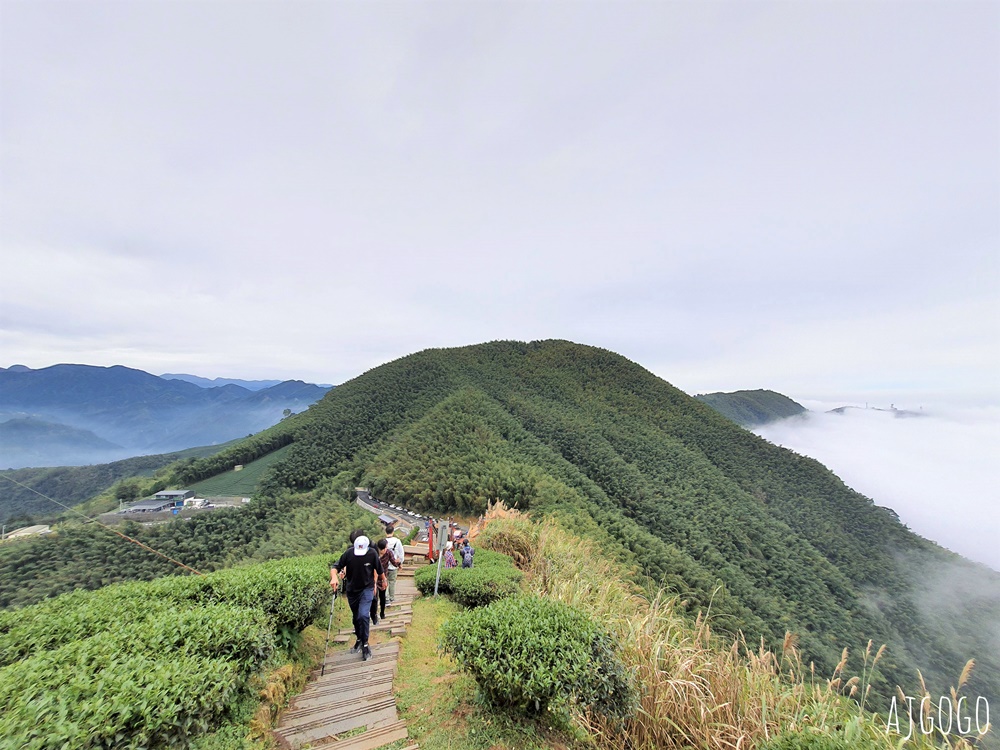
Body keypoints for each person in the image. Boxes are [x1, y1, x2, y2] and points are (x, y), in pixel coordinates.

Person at [331, 531, 385, 661]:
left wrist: (383, 581)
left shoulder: (372, 553)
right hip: (352, 590)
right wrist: (334, 577)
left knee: (363, 615)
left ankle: (366, 645)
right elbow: (335, 567)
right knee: (356, 618)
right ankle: (359, 639)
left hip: (367, 588)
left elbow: (379, 570)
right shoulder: (349, 553)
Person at [369, 538, 392, 625]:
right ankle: (374, 615)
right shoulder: (374, 556)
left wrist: (384, 579)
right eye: (385, 547)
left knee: (382, 597)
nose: (386, 549)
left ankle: (382, 613)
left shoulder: (388, 553)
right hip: (373, 579)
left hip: (382, 578)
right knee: (374, 598)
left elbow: (392, 561)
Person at [384, 525, 404, 604]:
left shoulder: (383, 541)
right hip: (394, 565)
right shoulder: (397, 541)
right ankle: (392, 597)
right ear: (393, 532)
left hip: (384, 565)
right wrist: (400, 563)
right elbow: (401, 553)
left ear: (386, 532)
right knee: (392, 581)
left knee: (384, 581)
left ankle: (386, 598)